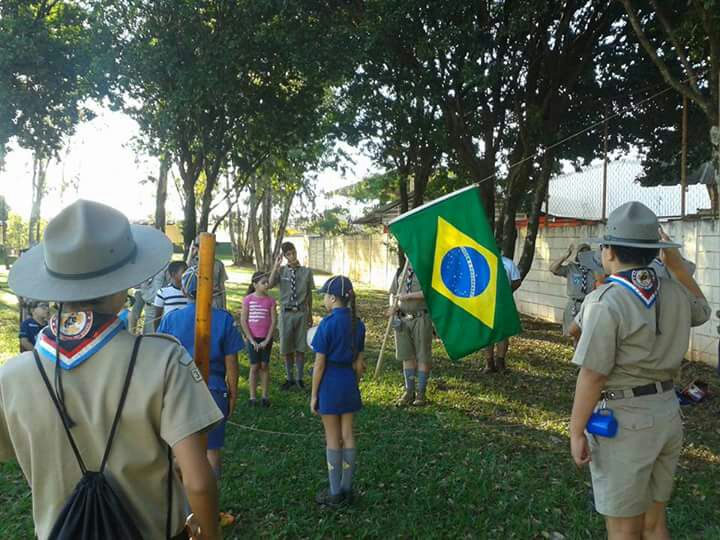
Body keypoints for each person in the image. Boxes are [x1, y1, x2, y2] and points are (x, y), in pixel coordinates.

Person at [0, 200, 223, 540]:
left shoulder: (11, 377)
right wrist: (210, 534)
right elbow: (197, 480)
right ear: (122, 286)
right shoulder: (163, 359)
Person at [569, 202, 711, 540]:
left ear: (610, 252)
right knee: (654, 523)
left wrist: (575, 431)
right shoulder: (675, 292)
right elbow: (702, 310)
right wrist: (677, 269)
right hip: (667, 414)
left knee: (623, 528)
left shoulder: (607, 301)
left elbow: (592, 375)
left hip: (626, 423)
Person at [158, 266, 244, 500]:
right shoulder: (224, 319)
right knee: (212, 452)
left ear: (185, 290)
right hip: (215, 392)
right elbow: (232, 366)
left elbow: (162, 360)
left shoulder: (171, 319)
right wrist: (233, 396)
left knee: (182, 451)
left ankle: (185, 507)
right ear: (211, 290)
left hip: (179, 392)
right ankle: (210, 508)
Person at [310, 276, 365, 507]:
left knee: (333, 438)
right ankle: (347, 488)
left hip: (330, 384)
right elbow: (360, 365)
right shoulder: (358, 324)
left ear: (333, 298)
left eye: (325, 295)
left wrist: (314, 395)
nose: (324, 298)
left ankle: (335, 493)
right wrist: (354, 382)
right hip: (349, 383)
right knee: (348, 435)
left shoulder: (327, 324)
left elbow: (319, 365)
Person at [268, 241, 315, 390]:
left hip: (301, 312)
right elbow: (269, 284)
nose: (292, 256)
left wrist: (310, 313)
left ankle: (300, 378)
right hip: (286, 314)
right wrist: (276, 266)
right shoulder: (281, 271)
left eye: (293, 252)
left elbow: (309, 295)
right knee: (287, 347)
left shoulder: (306, 272)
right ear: (285, 256)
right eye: (288, 254)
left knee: (301, 348)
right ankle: (289, 378)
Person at [389, 261, 433, 406]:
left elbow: (429, 292)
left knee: (422, 356)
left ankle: (420, 393)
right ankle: (409, 391)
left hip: (420, 318)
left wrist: (408, 296)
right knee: (406, 355)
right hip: (402, 319)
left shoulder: (425, 268)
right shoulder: (401, 269)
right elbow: (393, 293)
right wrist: (392, 307)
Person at [550, 243, 604, 345]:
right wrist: (565, 256)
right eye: (581, 252)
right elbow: (553, 269)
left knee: (589, 333)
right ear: (577, 255)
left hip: (589, 304)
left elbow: (602, 280)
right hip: (574, 305)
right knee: (575, 334)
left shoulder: (594, 270)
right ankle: (577, 354)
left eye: (586, 253)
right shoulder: (571, 268)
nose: (583, 255)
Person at [240, 271, 277, 407]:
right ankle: (252, 397)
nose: (267, 284)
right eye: (263, 282)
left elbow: (273, 321)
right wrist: (251, 340)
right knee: (255, 366)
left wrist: (267, 340)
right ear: (255, 284)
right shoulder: (248, 299)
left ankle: (265, 396)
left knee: (264, 365)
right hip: (252, 339)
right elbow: (243, 320)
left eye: (267, 282)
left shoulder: (271, 301)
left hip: (266, 338)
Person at [483, 255, 522, 373]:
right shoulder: (483, 260)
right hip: (486, 303)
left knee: (503, 333)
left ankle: (501, 363)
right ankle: (489, 363)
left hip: (504, 304)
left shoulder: (508, 263)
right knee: (488, 334)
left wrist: (507, 292)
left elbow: (517, 281)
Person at [187, 237, 229, 310]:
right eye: (200, 247)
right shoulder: (193, 263)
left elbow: (222, 287)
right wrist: (191, 253)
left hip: (215, 300)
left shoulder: (218, 264)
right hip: (196, 300)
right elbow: (185, 276)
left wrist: (224, 307)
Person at [153, 260, 189, 330]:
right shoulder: (163, 292)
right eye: (184, 272)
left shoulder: (191, 292)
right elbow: (157, 317)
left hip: (187, 329)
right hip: (170, 330)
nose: (187, 274)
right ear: (173, 274)